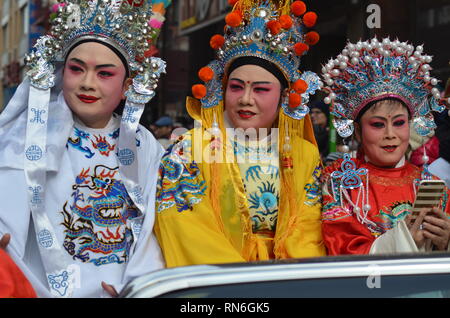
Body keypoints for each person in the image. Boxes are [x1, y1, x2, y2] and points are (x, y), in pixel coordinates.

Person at [0, 0, 169, 297]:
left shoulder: (144, 144)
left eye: (104, 74)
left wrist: (137, 286)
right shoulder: (28, 135)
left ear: (128, 85)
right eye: (77, 69)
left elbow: (153, 229)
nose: (87, 83)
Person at [154, 0, 326, 267]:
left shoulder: (304, 153)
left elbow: (308, 232)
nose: (245, 99)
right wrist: (240, 282)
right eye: (236, 87)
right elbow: (187, 229)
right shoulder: (189, 150)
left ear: (284, 97)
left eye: (260, 89)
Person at [320, 37, 450, 255]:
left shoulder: (434, 187)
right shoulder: (341, 185)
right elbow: (342, 252)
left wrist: (446, 241)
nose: (390, 135)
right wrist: (404, 238)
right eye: (378, 125)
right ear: (359, 132)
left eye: (399, 123)